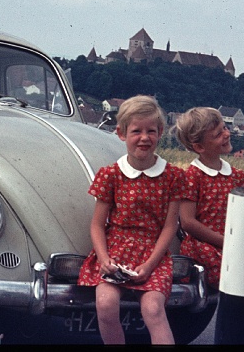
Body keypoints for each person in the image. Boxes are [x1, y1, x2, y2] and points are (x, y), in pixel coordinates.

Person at [77, 95, 185, 344]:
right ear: (121, 133)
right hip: (115, 252)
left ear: (160, 133)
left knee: (153, 309)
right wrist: (103, 259)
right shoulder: (110, 174)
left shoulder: (173, 176)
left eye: (151, 131)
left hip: (153, 255)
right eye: (136, 131)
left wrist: (149, 265)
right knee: (105, 304)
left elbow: (170, 227)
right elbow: (97, 225)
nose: (144, 138)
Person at [174, 107, 244, 344]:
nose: (227, 134)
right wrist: (225, 242)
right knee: (235, 283)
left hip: (232, 244)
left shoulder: (237, 176)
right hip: (204, 245)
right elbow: (188, 222)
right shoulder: (192, 176)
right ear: (199, 146)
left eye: (225, 128)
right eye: (218, 134)